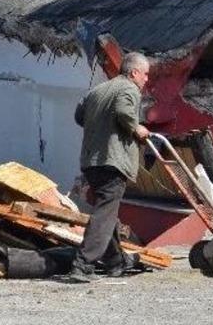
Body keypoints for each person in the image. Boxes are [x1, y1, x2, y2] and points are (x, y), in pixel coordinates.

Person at [67, 52, 151, 283]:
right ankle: (82, 265)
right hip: (113, 160)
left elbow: (79, 116)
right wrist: (136, 128)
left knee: (107, 211)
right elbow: (124, 112)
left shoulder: (97, 90)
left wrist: (100, 125)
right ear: (134, 72)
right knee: (104, 214)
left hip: (91, 161)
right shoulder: (129, 89)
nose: (146, 79)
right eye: (145, 74)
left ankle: (116, 262)